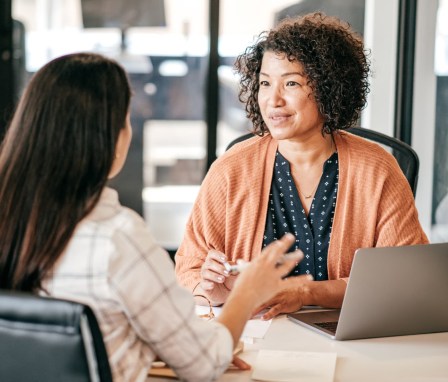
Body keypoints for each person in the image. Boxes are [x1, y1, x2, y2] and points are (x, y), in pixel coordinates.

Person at [0, 52, 307, 382]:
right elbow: (204, 363)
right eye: (126, 118)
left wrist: (156, 345)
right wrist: (247, 293)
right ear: (110, 137)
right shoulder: (118, 237)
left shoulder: (12, 222)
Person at [175, 12, 429, 320]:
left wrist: (306, 293)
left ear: (327, 88)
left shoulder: (377, 169)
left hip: (347, 337)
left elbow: (402, 279)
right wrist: (214, 292)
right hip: (256, 334)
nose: (273, 100)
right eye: (265, 83)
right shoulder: (231, 169)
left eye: (291, 83)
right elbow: (189, 269)